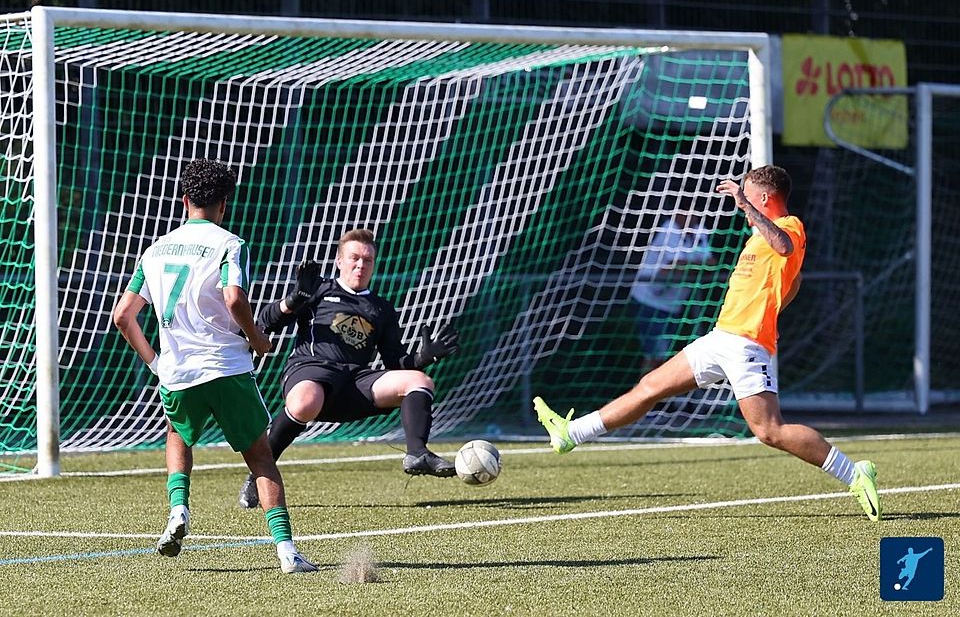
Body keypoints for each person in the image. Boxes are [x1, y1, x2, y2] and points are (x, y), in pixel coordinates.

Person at [533, 165, 882, 522]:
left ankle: (854, 473)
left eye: (747, 195)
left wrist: (745, 207)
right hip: (721, 337)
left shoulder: (789, 227)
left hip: (746, 344)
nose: (740, 203)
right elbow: (794, 281)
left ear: (762, 198)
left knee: (768, 431)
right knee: (649, 387)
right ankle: (571, 433)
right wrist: (774, 310)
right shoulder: (758, 238)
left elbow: (784, 247)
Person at [113, 158, 317, 573]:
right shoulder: (228, 243)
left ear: (184, 199)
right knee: (260, 457)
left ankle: (178, 510)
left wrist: (154, 362)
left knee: (177, 436)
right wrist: (259, 340)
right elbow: (234, 298)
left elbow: (122, 316)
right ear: (224, 204)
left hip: (177, 372)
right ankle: (286, 553)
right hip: (225, 366)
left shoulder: (154, 250)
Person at [237, 227, 460, 509]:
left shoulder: (381, 308)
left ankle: (417, 454)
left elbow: (394, 362)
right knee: (307, 401)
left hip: (355, 382)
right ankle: (258, 473)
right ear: (340, 261)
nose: (360, 264)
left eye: (367, 260)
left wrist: (423, 358)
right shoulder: (318, 290)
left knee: (420, 381)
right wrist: (295, 299)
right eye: (354, 257)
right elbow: (267, 321)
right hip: (310, 370)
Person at [630, 200, 717, 373]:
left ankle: (657, 397)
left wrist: (689, 267)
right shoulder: (668, 230)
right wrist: (696, 267)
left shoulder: (699, 231)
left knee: (664, 355)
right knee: (655, 357)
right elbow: (674, 266)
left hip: (673, 305)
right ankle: (647, 396)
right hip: (649, 301)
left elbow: (711, 264)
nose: (692, 215)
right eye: (687, 210)